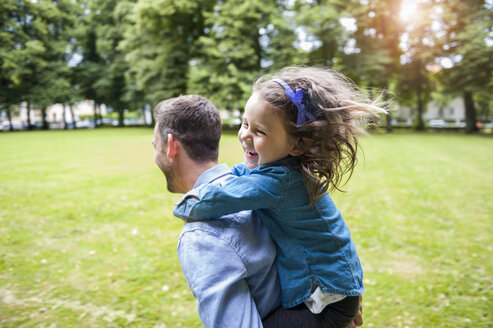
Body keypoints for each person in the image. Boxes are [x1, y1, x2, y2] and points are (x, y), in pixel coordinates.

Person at [174, 66, 385, 327]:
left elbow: (217, 200)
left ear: (297, 145)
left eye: (260, 132)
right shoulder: (279, 170)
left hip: (326, 303)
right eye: (245, 123)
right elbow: (240, 175)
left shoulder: (277, 183)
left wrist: (186, 204)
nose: (245, 135)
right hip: (337, 292)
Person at [152, 94, 282, 328]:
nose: (155, 155)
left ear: (171, 146)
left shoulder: (202, 236)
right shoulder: (262, 189)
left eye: (155, 146)